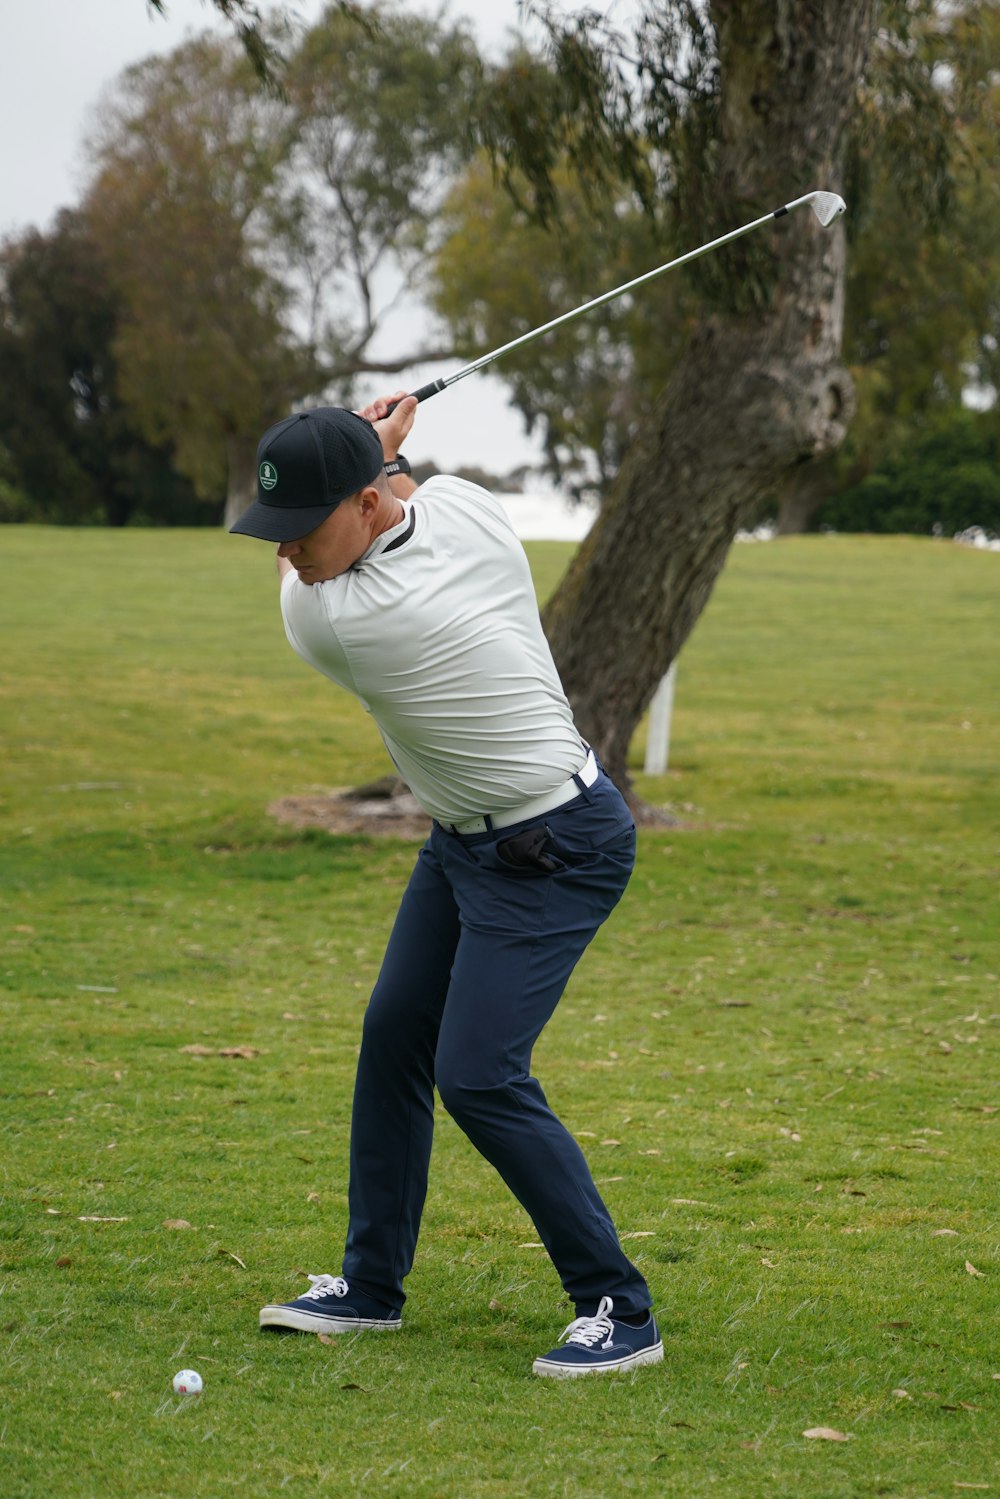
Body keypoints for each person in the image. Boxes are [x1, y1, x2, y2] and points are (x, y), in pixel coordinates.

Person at [229, 393, 661, 1378]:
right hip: (465, 839)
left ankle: (617, 1305)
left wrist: (370, 446)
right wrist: (372, 456)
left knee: (476, 1072)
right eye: (277, 533)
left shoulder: (341, 620)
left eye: (301, 531)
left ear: (370, 510)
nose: (288, 553)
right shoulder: (469, 506)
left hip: (559, 846)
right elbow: (406, 489)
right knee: (394, 1038)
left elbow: (315, 561)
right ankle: (370, 1284)